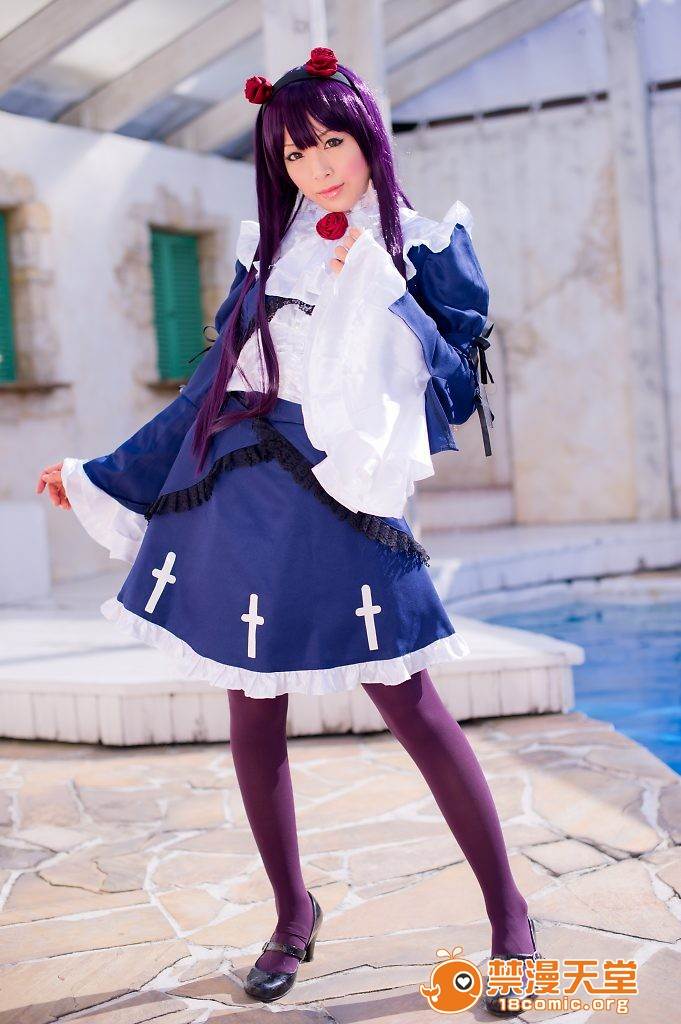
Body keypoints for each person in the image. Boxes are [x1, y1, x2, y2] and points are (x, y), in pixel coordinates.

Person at [37, 47, 540, 1013]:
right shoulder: (268, 255)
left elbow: (453, 389)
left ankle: (510, 918)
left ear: (367, 138)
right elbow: (206, 390)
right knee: (252, 710)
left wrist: (383, 288)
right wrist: (99, 473)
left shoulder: (426, 247)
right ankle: (290, 914)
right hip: (242, 493)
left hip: (348, 498)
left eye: (330, 143)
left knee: (412, 704)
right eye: (295, 154)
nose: (317, 167)